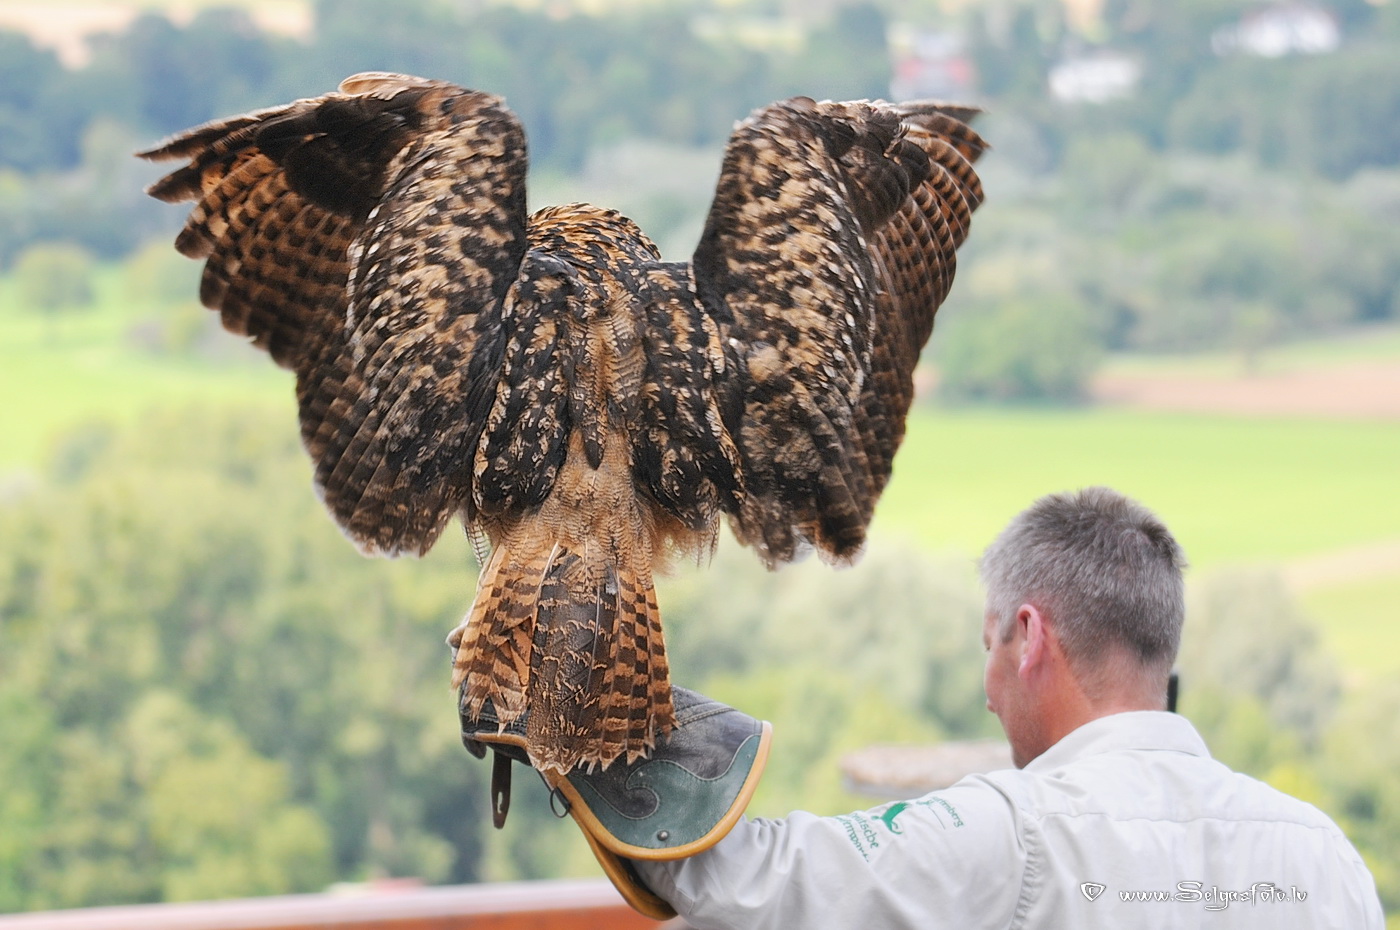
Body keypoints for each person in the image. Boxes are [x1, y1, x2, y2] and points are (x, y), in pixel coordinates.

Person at [623, 486, 1385, 929]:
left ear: (1029, 636)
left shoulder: (1015, 831)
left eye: (990, 647)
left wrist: (607, 717)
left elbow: (760, 881)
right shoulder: (1322, 852)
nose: (989, 696)